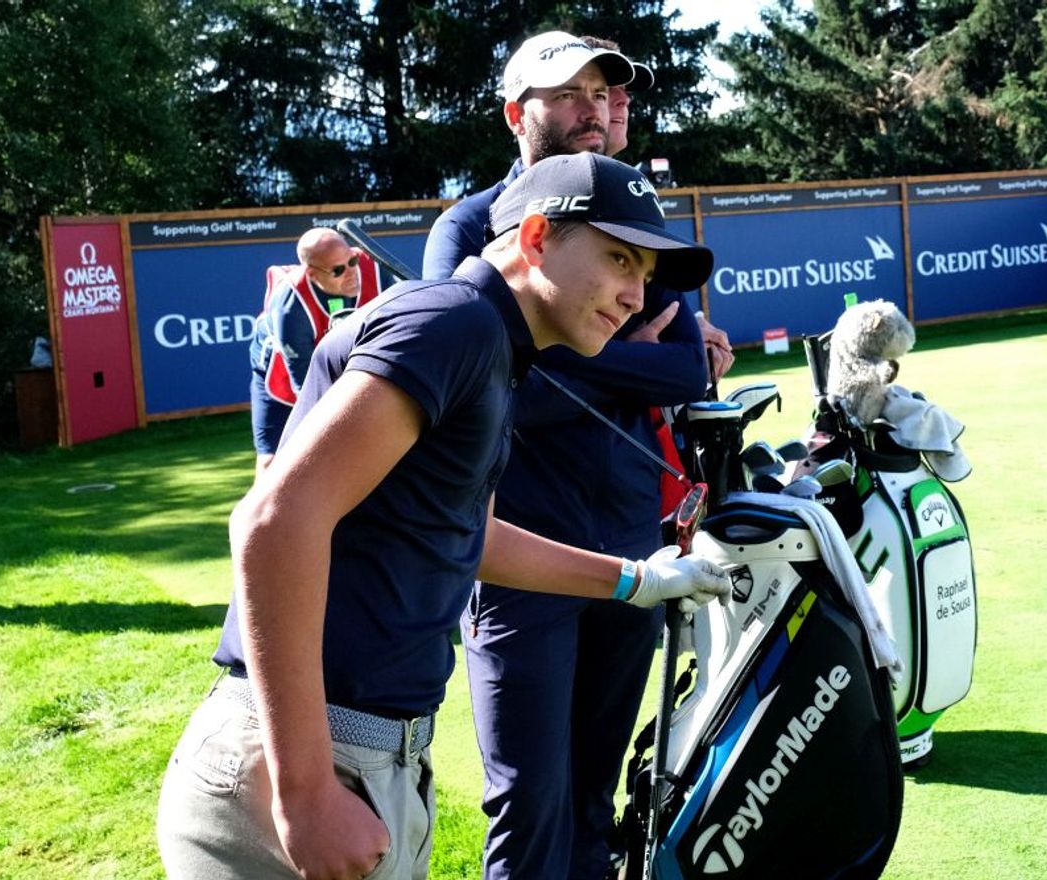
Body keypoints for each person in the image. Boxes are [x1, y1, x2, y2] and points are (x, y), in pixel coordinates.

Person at [155, 151, 727, 880]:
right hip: (311, 760)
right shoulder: (453, 324)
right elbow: (273, 521)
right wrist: (306, 792)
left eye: (644, 274)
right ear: (536, 236)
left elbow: (466, 533)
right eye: (619, 259)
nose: (634, 294)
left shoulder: (492, 346)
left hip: (363, 754)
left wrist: (636, 580)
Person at [422, 32, 731, 880]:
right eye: (567, 94)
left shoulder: (629, 211)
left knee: (595, 796)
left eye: (601, 94)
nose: (591, 110)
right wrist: (622, 355)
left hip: (631, 541)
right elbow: (484, 390)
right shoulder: (468, 228)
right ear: (516, 114)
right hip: (519, 557)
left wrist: (553, 351)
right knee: (530, 805)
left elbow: (688, 370)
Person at [249, 227, 385, 475]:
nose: (351, 273)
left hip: (345, 363)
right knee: (272, 461)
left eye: (352, 261)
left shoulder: (374, 269)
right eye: (338, 270)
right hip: (281, 375)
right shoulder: (291, 308)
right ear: (312, 273)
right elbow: (307, 390)